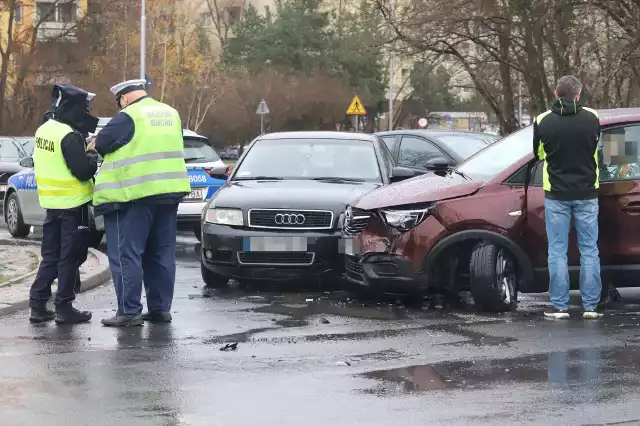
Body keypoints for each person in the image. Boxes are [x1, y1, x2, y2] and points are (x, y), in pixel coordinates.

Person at [90, 79, 191, 327]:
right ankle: (159, 309)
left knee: (127, 254)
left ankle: (129, 310)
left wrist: (93, 142)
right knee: (161, 253)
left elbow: (101, 144)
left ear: (123, 99)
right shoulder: (171, 113)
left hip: (134, 197)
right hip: (168, 194)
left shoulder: (128, 116)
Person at [533, 75, 603, 320]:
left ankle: (560, 306)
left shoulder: (542, 120)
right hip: (587, 194)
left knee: (557, 251)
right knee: (589, 250)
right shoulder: (592, 117)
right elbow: (598, 147)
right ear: (578, 94)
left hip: (557, 195)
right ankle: (591, 307)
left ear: (555, 93)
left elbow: (539, 152)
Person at [29, 84, 99, 324]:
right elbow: (82, 171)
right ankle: (64, 307)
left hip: (52, 204)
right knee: (69, 258)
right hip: (73, 206)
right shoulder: (69, 135)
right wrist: (91, 152)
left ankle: (38, 304)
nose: (87, 112)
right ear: (74, 108)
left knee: (50, 256)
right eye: (85, 108)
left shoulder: (44, 130)